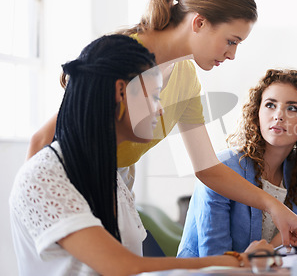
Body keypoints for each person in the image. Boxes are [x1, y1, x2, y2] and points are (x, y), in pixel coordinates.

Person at [25, 0, 297, 246]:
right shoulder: (121, 56)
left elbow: (207, 168)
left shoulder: (186, 77)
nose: (232, 54)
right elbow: (43, 140)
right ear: (199, 23)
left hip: (117, 188)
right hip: (73, 185)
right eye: (230, 41)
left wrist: (274, 206)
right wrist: (34, 221)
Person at [9, 35, 273, 275]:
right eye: (156, 95)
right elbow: (124, 266)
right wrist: (237, 261)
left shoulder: (111, 178)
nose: (160, 110)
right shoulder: (45, 175)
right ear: (121, 91)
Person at [177, 69, 297, 257]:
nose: (278, 115)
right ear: (256, 113)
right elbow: (215, 259)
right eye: (270, 105)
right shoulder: (222, 168)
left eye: (292, 108)